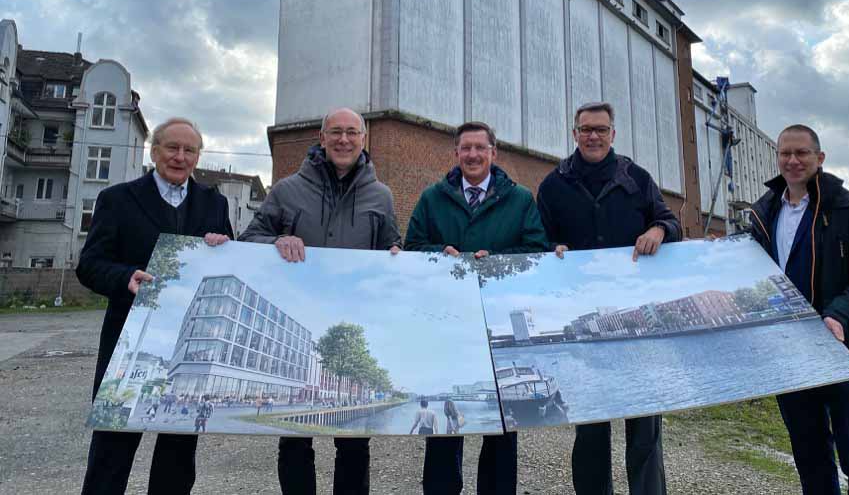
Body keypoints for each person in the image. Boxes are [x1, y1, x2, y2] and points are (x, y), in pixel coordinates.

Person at [240, 107, 401, 495]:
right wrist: (276, 240)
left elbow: (391, 248)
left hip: (354, 323)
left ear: (364, 139)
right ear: (322, 137)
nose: (344, 140)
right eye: (336, 133)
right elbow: (247, 241)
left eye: (352, 133)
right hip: (301, 321)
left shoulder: (381, 196)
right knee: (295, 438)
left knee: (354, 444)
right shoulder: (286, 190)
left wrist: (397, 254)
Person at [76, 117, 233, 495]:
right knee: (112, 451)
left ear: (198, 156)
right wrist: (124, 277)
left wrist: (223, 244)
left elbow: (228, 261)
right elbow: (89, 264)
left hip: (190, 343)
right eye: (172, 148)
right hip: (131, 343)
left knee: (178, 454)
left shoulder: (214, 203)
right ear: (154, 151)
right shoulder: (117, 199)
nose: (180, 157)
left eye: (189, 150)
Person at [537, 101, 681, 495]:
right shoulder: (553, 185)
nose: (594, 136)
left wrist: (659, 231)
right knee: (590, 433)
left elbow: (672, 221)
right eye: (586, 129)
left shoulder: (637, 177)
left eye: (601, 129)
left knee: (645, 433)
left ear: (613, 134)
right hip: (586, 323)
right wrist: (552, 249)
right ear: (574, 134)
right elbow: (537, 242)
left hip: (635, 324)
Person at [406, 120, 547, 495]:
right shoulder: (432, 198)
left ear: (493, 153)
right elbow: (412, 248)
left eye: (479, 148)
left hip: (495, 326)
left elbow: (536, 251)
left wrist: (496, 259)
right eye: (465, 148)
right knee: (444, 433)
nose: (472, 155)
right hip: (448, 326)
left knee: (501, 430)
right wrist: (441, 253)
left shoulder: (520, 200)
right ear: (456, 154)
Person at [747, 124, 849, 494]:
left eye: (802, 153)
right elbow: (750, 278)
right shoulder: (763, 213)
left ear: (819, 158)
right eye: (785, 154)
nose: (792, 161)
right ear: (776, 157)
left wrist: (838, 314)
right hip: (791, 357)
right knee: (811, 461)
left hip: (846, 352)